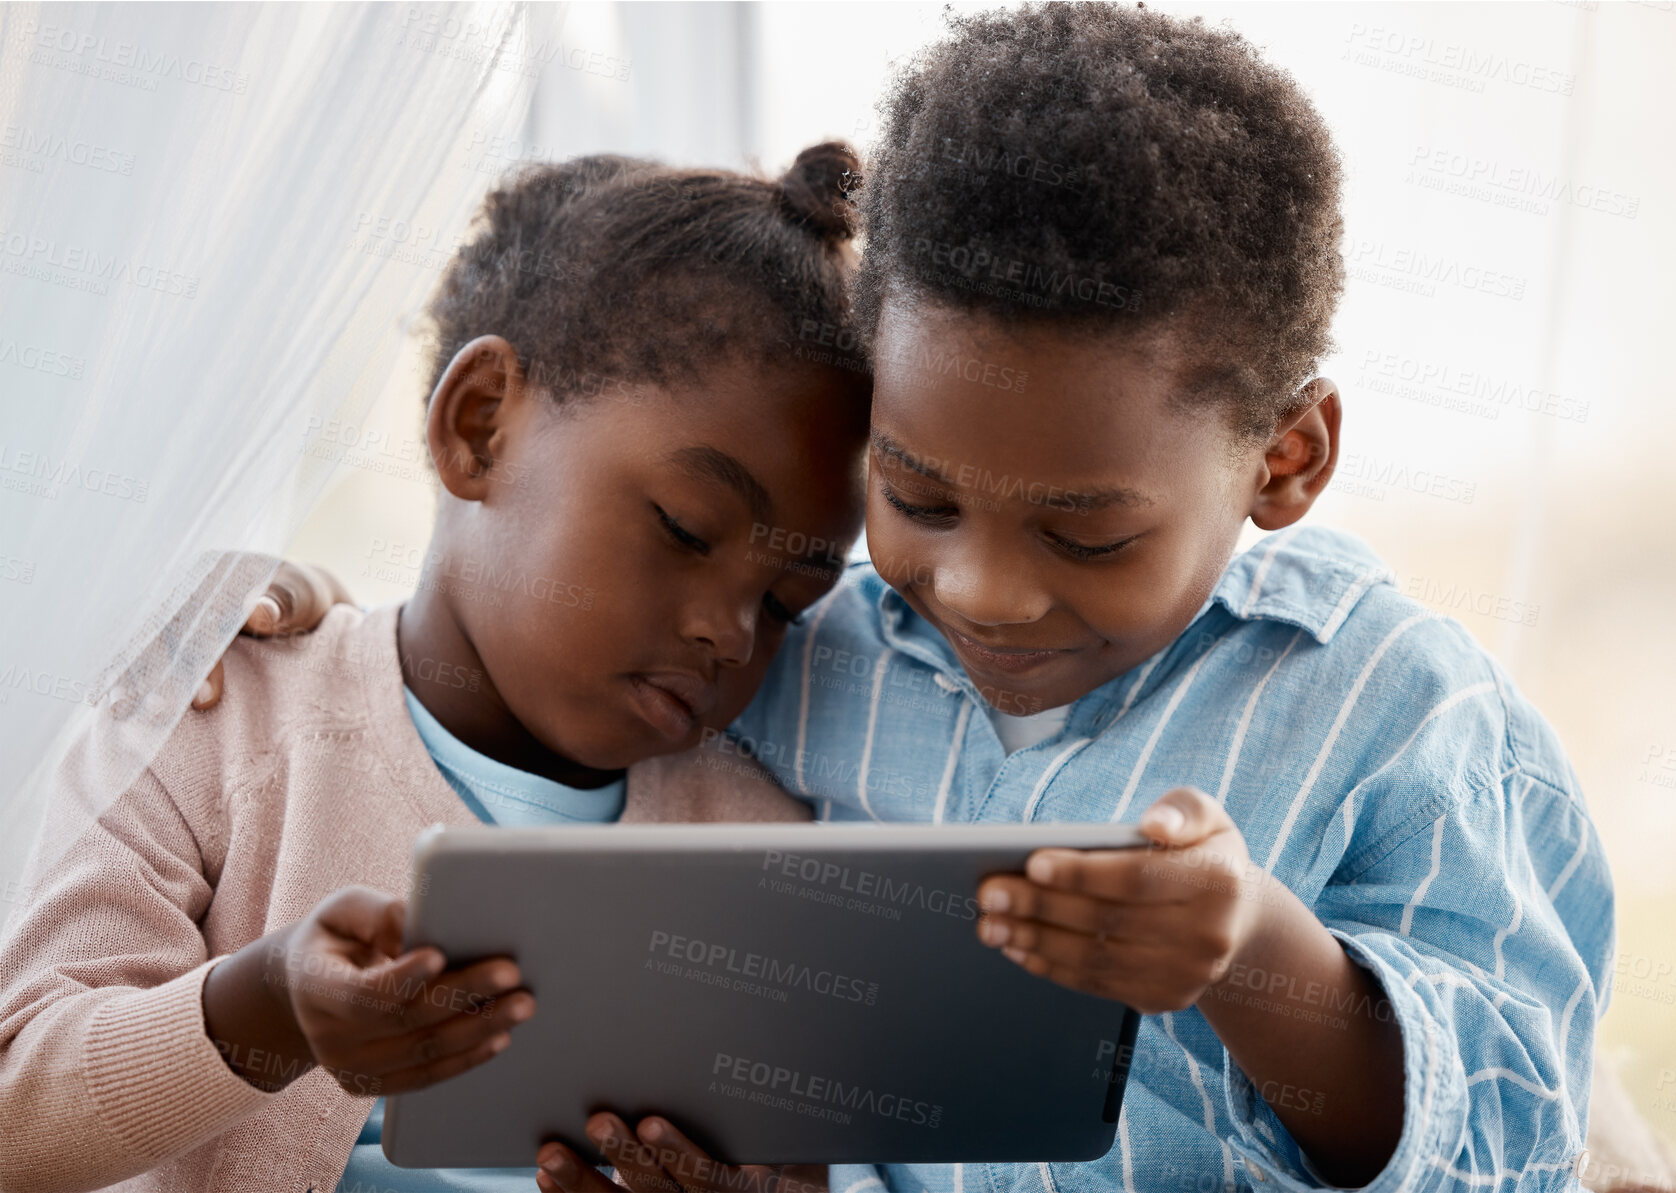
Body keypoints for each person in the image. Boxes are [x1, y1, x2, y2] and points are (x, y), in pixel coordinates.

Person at [202, 7, 1619, 1192]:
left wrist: (1251, 954)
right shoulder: (801, 657)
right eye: (920, 499)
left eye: (1088, 532)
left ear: (1286, 459)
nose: (983, 591)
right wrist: (305, 609)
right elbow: (524, 638)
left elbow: (1517, 1138)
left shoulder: (1399, 713)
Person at [0, 144, 870, 1193]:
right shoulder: (210, 712)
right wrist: (268, 1010)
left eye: (785, 603)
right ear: (479, 423)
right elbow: (20, 1118)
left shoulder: (761, 847)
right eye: (687, 529)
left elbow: (822, 1159)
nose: (731, 632)